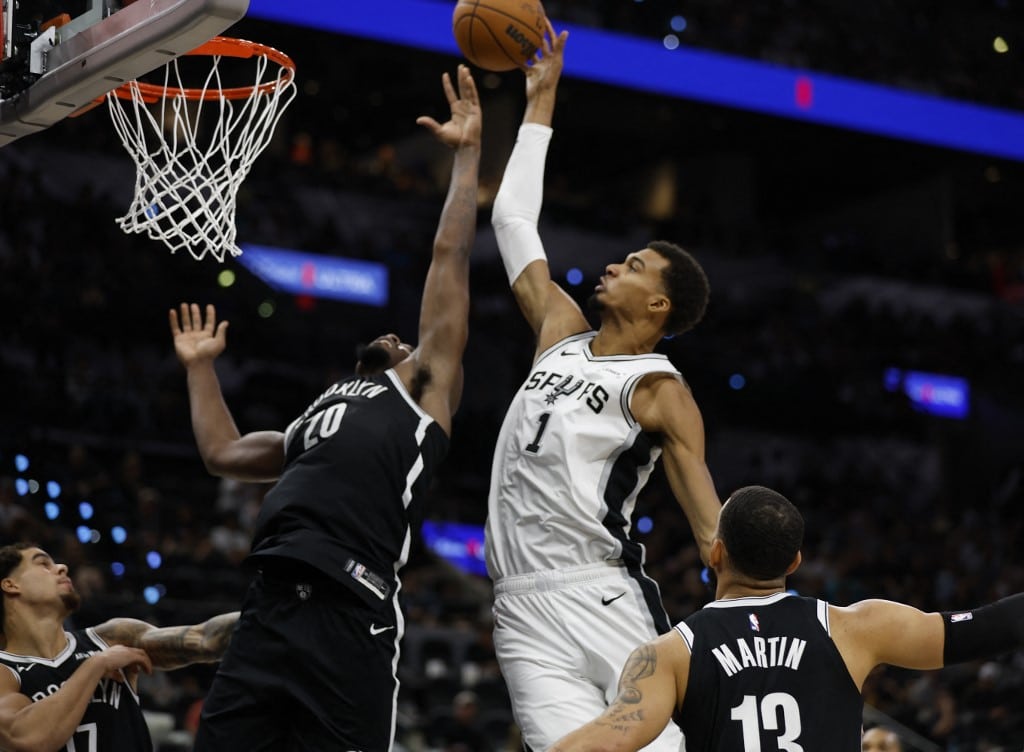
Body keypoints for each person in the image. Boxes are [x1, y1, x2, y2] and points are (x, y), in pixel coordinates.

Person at [169, 64, 482, 751]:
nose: (400, 337)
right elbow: (222, 454)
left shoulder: (421, 390)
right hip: (269, 607)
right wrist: (200, 371)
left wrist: (465, 157)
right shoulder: (318, 415)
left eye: (407, 339)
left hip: (351, 610)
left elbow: (449, 253)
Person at [484, 21, 722, 752]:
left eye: (635, 265)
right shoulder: (559, 328)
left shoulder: (659, 388)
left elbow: (711, 528)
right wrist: (542, 101)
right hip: (519, 604)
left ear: (659, 307)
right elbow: (511, 216)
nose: (615, 265)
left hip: (600, 590)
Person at [547, 486, 1024, 751]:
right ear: (794, 562)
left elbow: (607, 741)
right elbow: (988, 629)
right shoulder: (855, 628)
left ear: (716, 553)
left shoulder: (669, 654)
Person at [0, 542, 237, 752]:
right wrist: (96, 664)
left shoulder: (111, 637)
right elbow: (26, 738)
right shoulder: (5, 670)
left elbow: (204, 639)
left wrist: (267, 613)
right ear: (11, 585)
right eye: (43, 564)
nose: (62, 567)